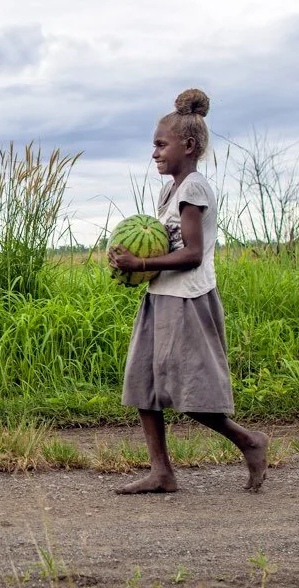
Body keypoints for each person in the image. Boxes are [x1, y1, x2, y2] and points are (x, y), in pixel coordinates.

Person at [107, 89, 270, 494]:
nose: (155, 153)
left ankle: (249, 440)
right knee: (143, 385)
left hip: (188, 300)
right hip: (160, 297)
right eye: (154, 145)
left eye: (161, 145)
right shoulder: (169, 191)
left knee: (191, 391)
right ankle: (161, 472)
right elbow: (166, 244)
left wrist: (139, 264)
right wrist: (126, 259)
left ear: (189, 145)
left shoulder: (194, 189)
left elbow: (194, 254)